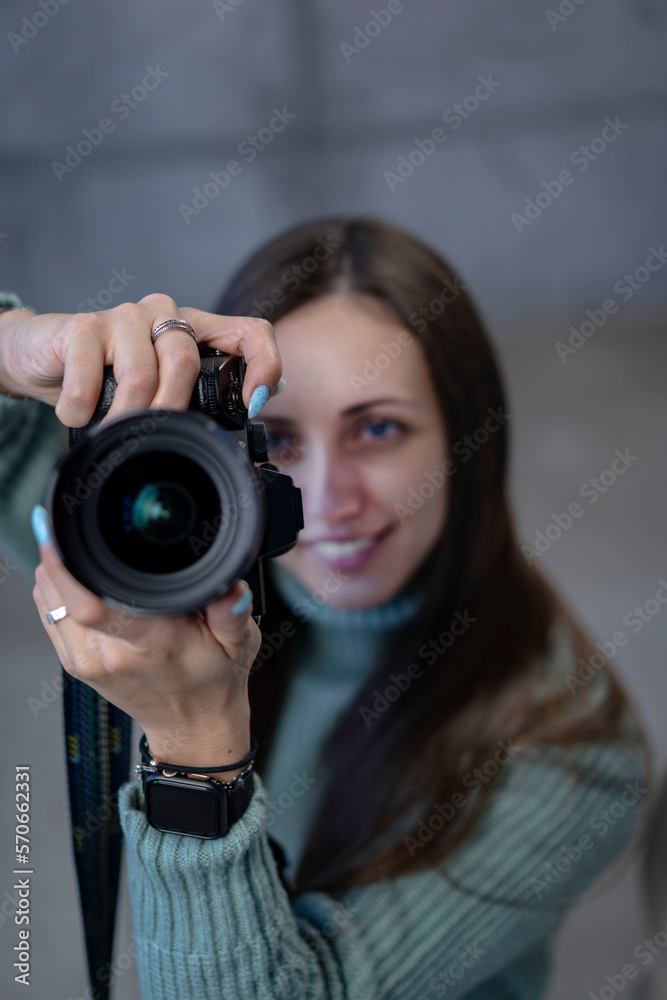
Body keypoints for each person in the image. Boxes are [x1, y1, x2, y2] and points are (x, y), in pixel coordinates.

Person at [0, 217, 651, 1000]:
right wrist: (16, 346)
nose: (327, 502)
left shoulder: (573, 756)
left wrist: (193, 748)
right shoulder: (180, 530)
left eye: (376, 429)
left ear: (466, 440)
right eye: (276, 438)